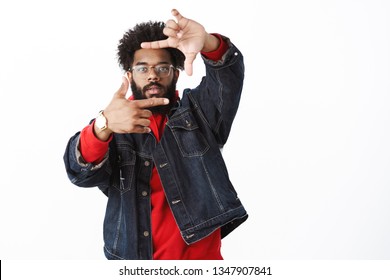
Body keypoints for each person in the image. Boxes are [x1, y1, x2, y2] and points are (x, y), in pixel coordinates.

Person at [63, 8, 248, 260]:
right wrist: (102, 124)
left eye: (162, 68)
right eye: (142, 69)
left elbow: (227, 75)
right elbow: (79, 172)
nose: (152, 75)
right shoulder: (114, 125)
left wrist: (207, 42)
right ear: (129, 75)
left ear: (176, 73)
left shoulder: (199, 114)